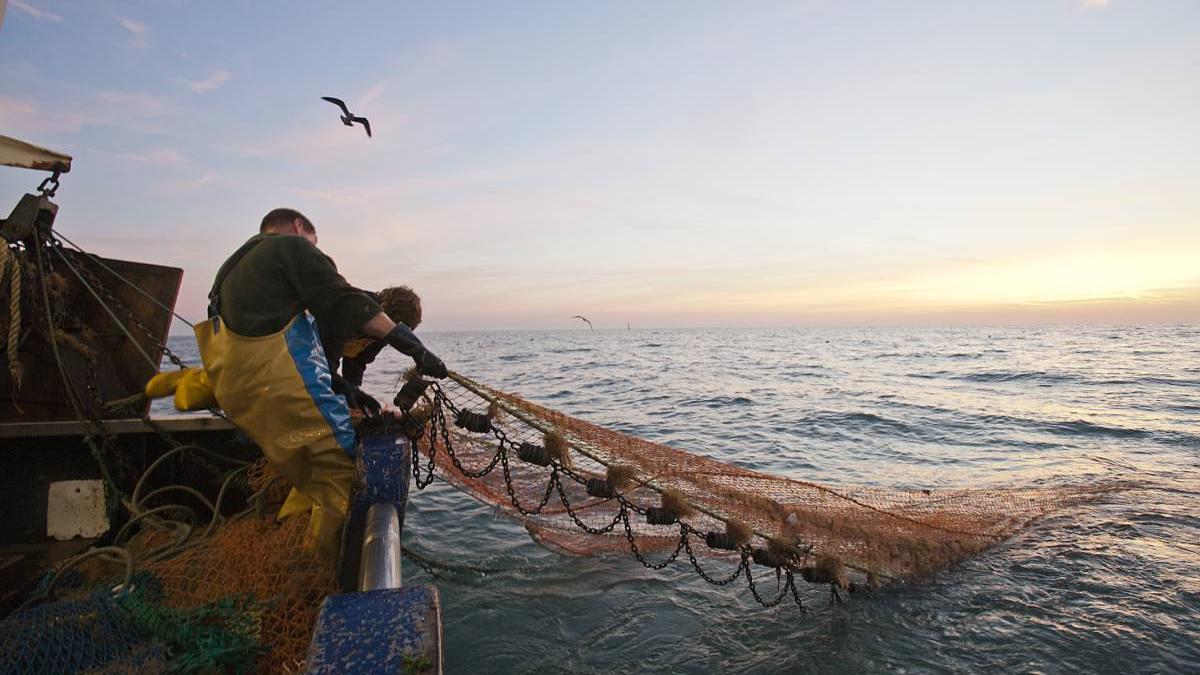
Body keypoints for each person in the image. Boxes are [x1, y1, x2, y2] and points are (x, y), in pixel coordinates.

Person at [194, 207, 448, 557]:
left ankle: (292, 525)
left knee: (310, 470)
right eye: (314, 243)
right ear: (299, 227)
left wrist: (351, 391)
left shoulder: (231, 270)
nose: (316, 250)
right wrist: (413, 347)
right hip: (283, 382)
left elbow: (350, 368)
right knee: (345, 475)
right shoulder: (292, 248)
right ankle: (314, 567)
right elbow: (341, 309)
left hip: (235, 390)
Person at [324, 285, 423, 390]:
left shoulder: (387, 332)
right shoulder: (355, 305)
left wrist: (354, 391)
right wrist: (332, 378)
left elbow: (357, 362)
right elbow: (329, 345)